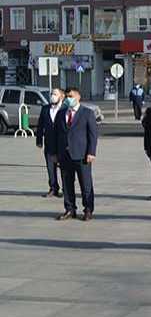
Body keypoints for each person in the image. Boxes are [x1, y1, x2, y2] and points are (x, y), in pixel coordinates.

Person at [54, 88, 98, 221]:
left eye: (71, 96)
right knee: (67, 184)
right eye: (66, 96)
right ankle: (70, 209)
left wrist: (91, 152)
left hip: (82, 155)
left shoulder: (87, 113)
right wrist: (56, 153)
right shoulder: (61, 113)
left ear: (78, 97)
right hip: (64, 155)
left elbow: (93, 134)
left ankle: (88, 209)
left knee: (85, 184)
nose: (68, 99)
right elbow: (57, 134)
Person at [36, 88, 64, 198]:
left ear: (61, 96)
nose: (53, 96)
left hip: (62, 144)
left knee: (64, 169)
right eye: (52, 94)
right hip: (49, 143)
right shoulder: (45, 108)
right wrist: (39, 140)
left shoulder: (65, 108)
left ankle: (65, 189)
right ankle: (53, 188)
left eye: (55, 94)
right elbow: (40, 126)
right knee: (50, 167)